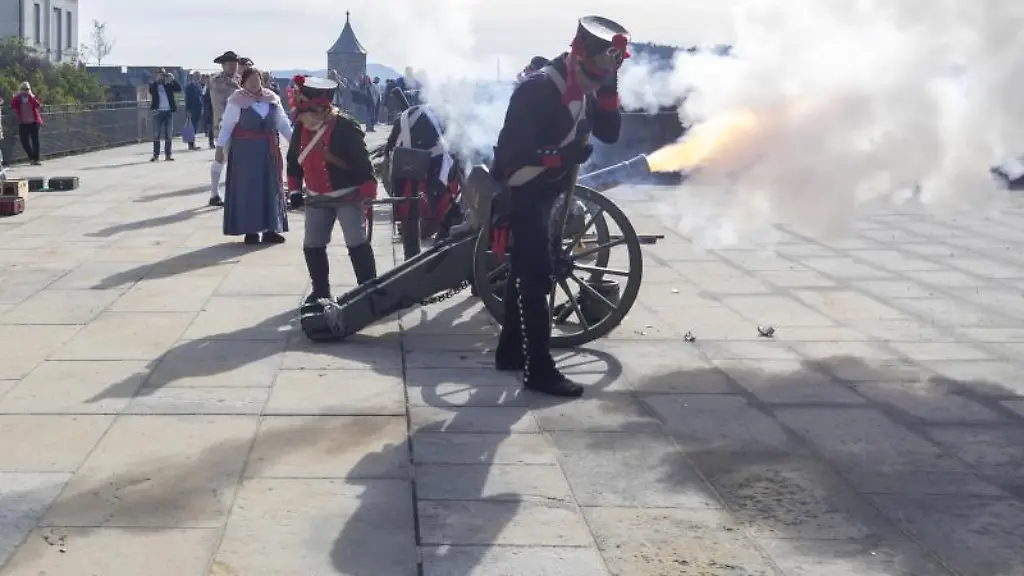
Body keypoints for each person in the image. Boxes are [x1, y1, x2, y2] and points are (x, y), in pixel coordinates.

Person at [490, 16, 628, 398]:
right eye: (596, 73)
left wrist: (610, 85)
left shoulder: (588, 83)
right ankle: (539, 370)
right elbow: (511, 154)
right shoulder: (536, 90)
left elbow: (610, 133)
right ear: (579, 57)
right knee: (536, 276)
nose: (596, 83)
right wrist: (561, 155)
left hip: (548, 191)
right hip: (524, 188)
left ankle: (509, 351)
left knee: (525, 270)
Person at [285, 76, 378, 302]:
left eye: (304, 114)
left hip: (348, 195)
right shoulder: (300, 128)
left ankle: (369, 292)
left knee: (356, 241)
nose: (301, 119)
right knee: (313, 243)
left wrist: (367, 195)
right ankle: (320, 291)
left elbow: (362, 163)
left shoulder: (346, 126)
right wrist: (295, 190)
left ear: (320, 109)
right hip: (317, 197)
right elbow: (293, 161)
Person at [382, 88, 462, 260]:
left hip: (405, 168)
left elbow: (389, 149)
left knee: (408, 210)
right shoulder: (438, 116)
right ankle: (441, 243)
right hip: (433, 167)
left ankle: (411, 255)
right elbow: (451, 144)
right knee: (446, 200)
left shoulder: (402, 118)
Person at [216, 68, 293, 245]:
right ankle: (250, 230)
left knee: (271, 186)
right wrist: (220, 147)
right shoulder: (237, 100)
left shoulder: (272, 98)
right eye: (250, 79)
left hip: (268, 149)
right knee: (249, 189)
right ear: (243, 82)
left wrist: (295, 144)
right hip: (245, 151)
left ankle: (271, 229)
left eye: (257, 79)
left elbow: (283, 123)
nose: (254, 82)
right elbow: (227, 125)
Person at [209, 51, 242, 206]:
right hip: (225, 124)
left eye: (235, 63)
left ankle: (229, 193)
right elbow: (219, 104)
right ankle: (215, 194)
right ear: (223, 65)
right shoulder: (217, 81)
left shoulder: (240, 79)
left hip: (241, 125)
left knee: (232, 159)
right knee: (221, 157)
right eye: (230, 64)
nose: (233, 66)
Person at [148, 69, 182, 161]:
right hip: (157, 112)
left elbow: (179, 89)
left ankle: (168, 155)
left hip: (168, 112)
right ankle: (156, 156)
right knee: (156, 134)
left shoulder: (168, 85)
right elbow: (150, 90)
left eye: (162, 75)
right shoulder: (154, 85)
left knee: (168, 134)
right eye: (159, 75)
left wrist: (172, 79)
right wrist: (156, 80)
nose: (161, 77)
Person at [10, 82, 43, 165]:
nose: (25, 91)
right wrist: (18, 97)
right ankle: (31, 157)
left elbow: (37, 105)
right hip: (23, 123)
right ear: (20, 90)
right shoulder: (18, 98)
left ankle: (37, 159)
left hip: (34, 122)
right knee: (24, 140)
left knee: (35, 140)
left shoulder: (32, 97)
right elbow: (13, 105)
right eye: (23, 89)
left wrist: (30, 97)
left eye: (27, 89)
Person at [184, 71, 203, 149]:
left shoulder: (199, 86)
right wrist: (188, 110)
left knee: (195, 127)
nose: (198, 78)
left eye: (199, 76)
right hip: (191, 109)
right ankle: (191, 144)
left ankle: (193, 142)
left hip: (198, 109)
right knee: (191, 127)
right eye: (197, 76)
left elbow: (200, 97)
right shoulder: (189, 86)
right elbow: (187, 99)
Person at [201, 74, 214, 148]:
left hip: (213, 108)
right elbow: (202, 96)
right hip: (207, 109)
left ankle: (212, 142)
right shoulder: (204, 88)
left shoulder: (213, 88)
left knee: (212, 126)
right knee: (209, 125)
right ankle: (211, 141)